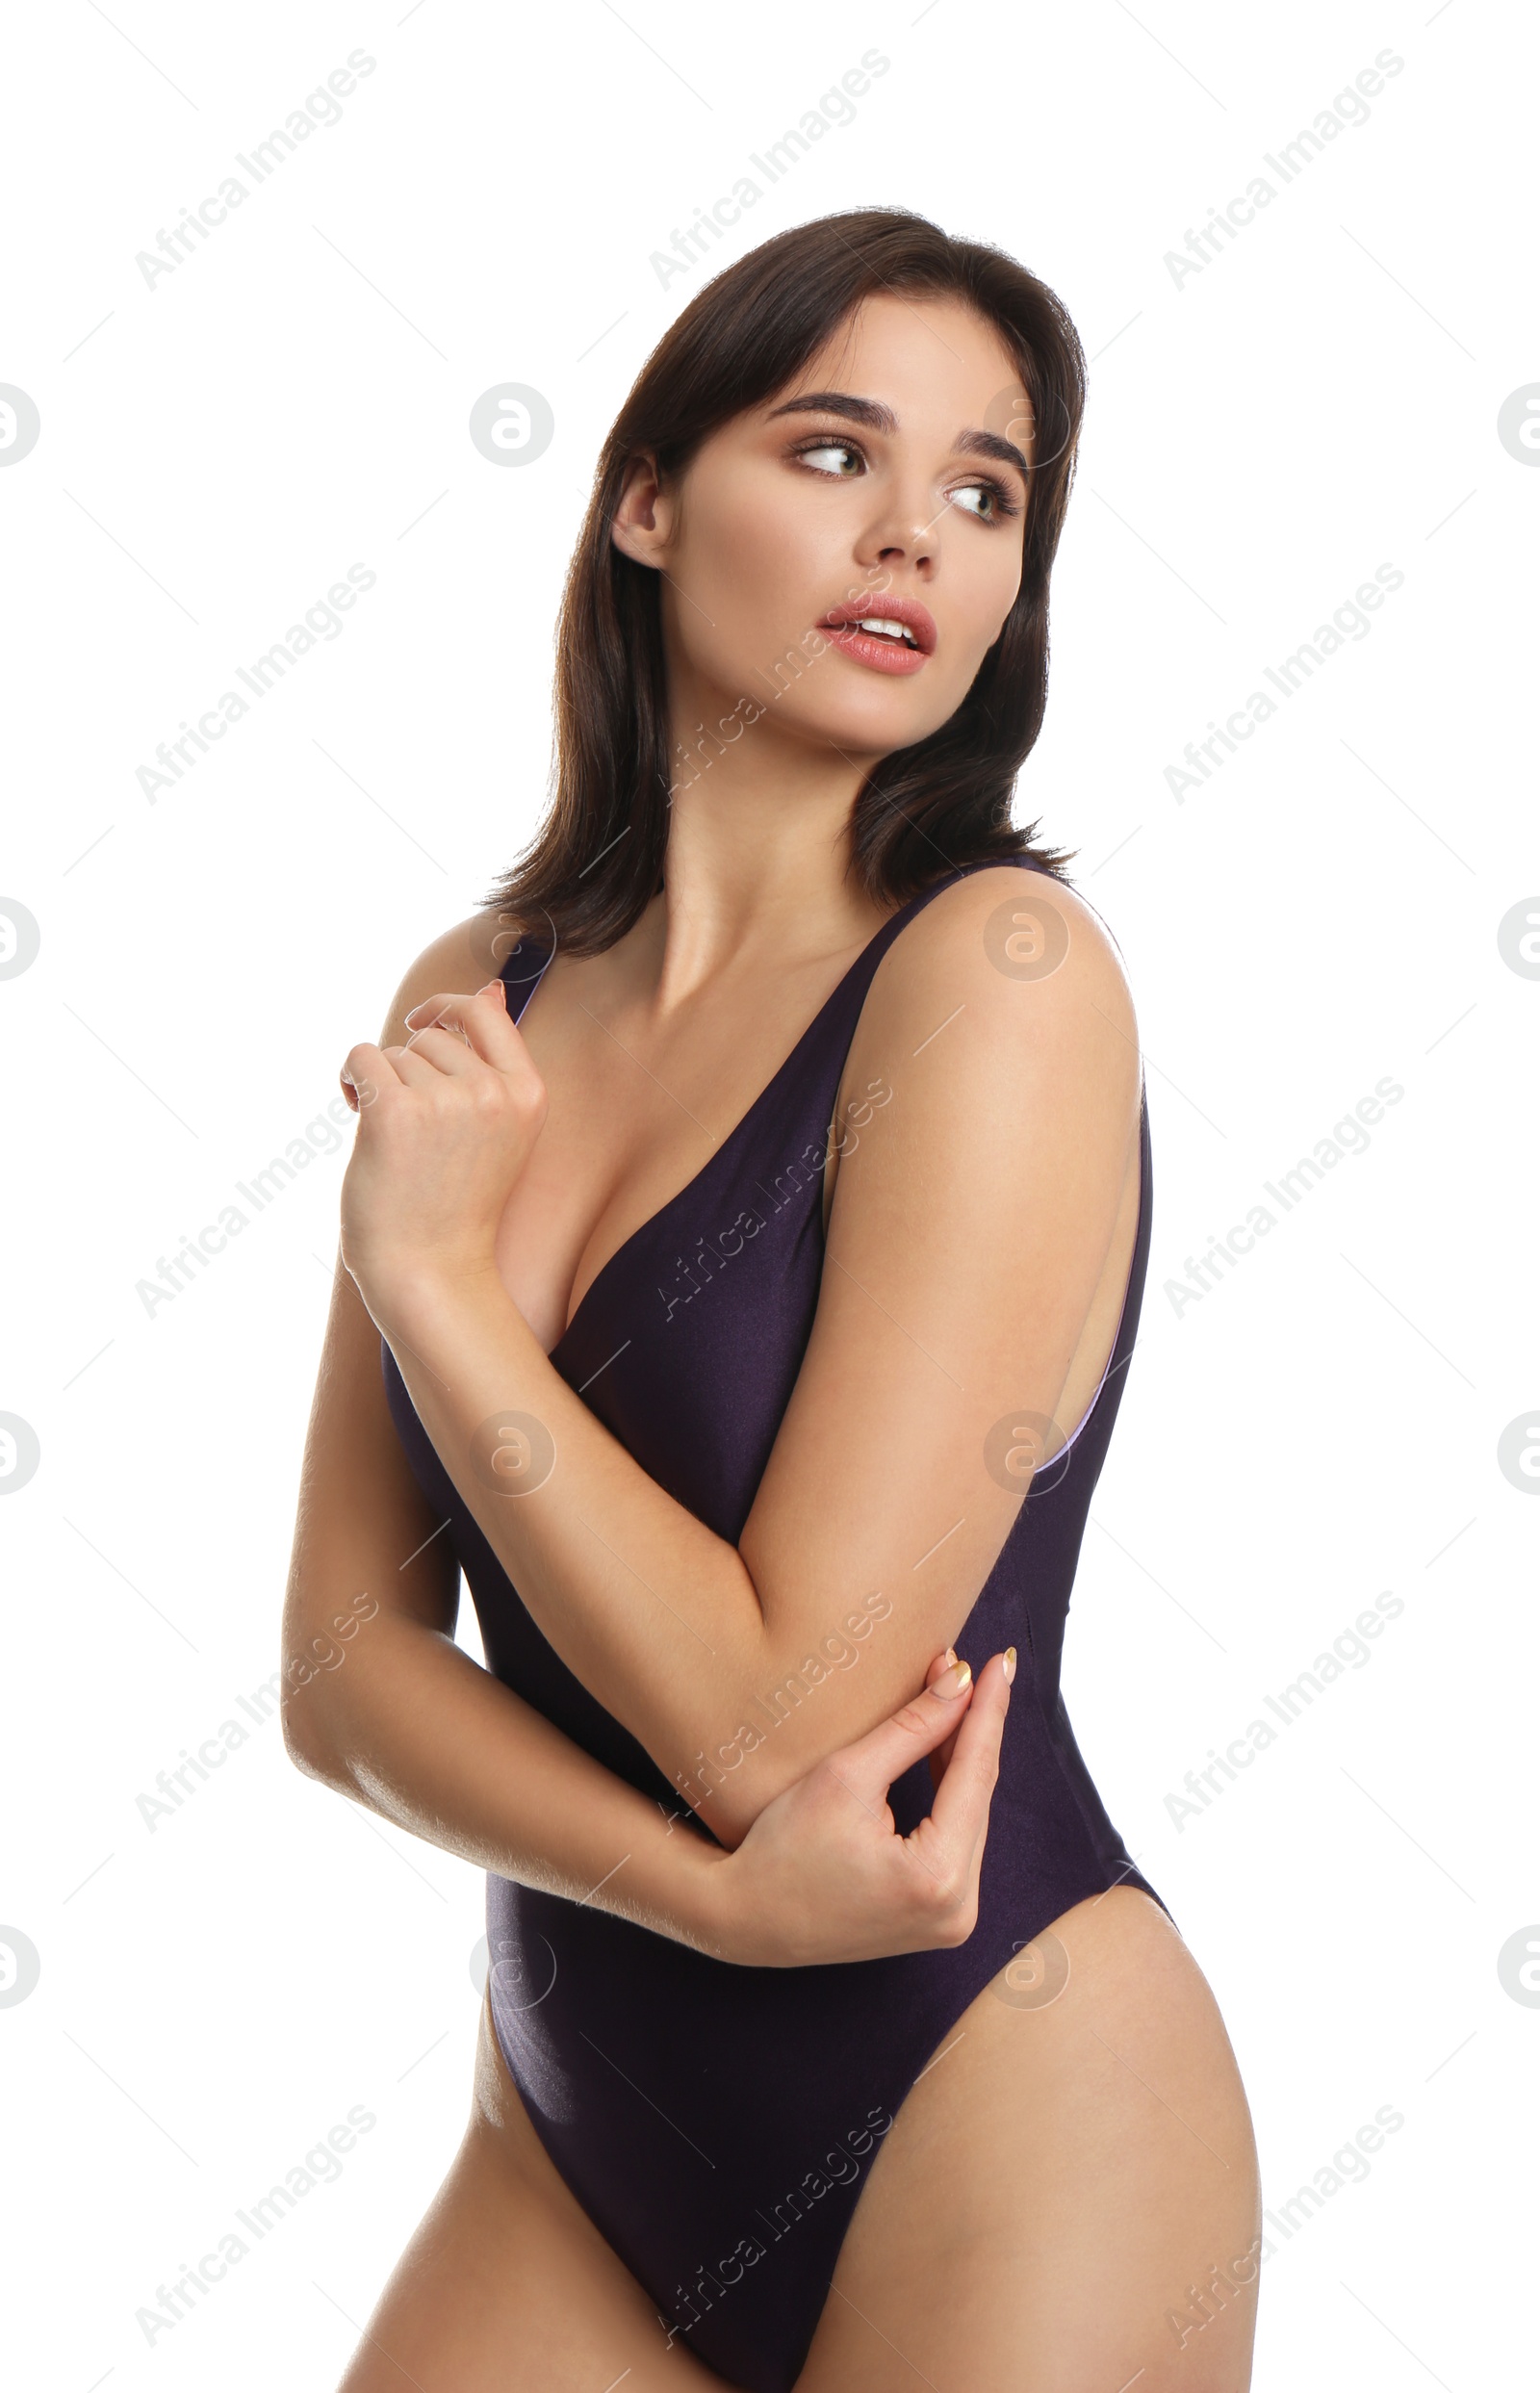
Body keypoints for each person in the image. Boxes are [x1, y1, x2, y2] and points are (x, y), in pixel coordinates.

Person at [283, 207, 1261, 2393]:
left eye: (984, 492)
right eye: (833, 454)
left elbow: (780, 1724)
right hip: (575, 2119)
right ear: (644, 499)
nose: (913, 533)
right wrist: (707, 1908)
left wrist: (439, 1285)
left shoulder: (995, 984)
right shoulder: (477, 999)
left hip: (990, 2101)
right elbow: (343, 1672)